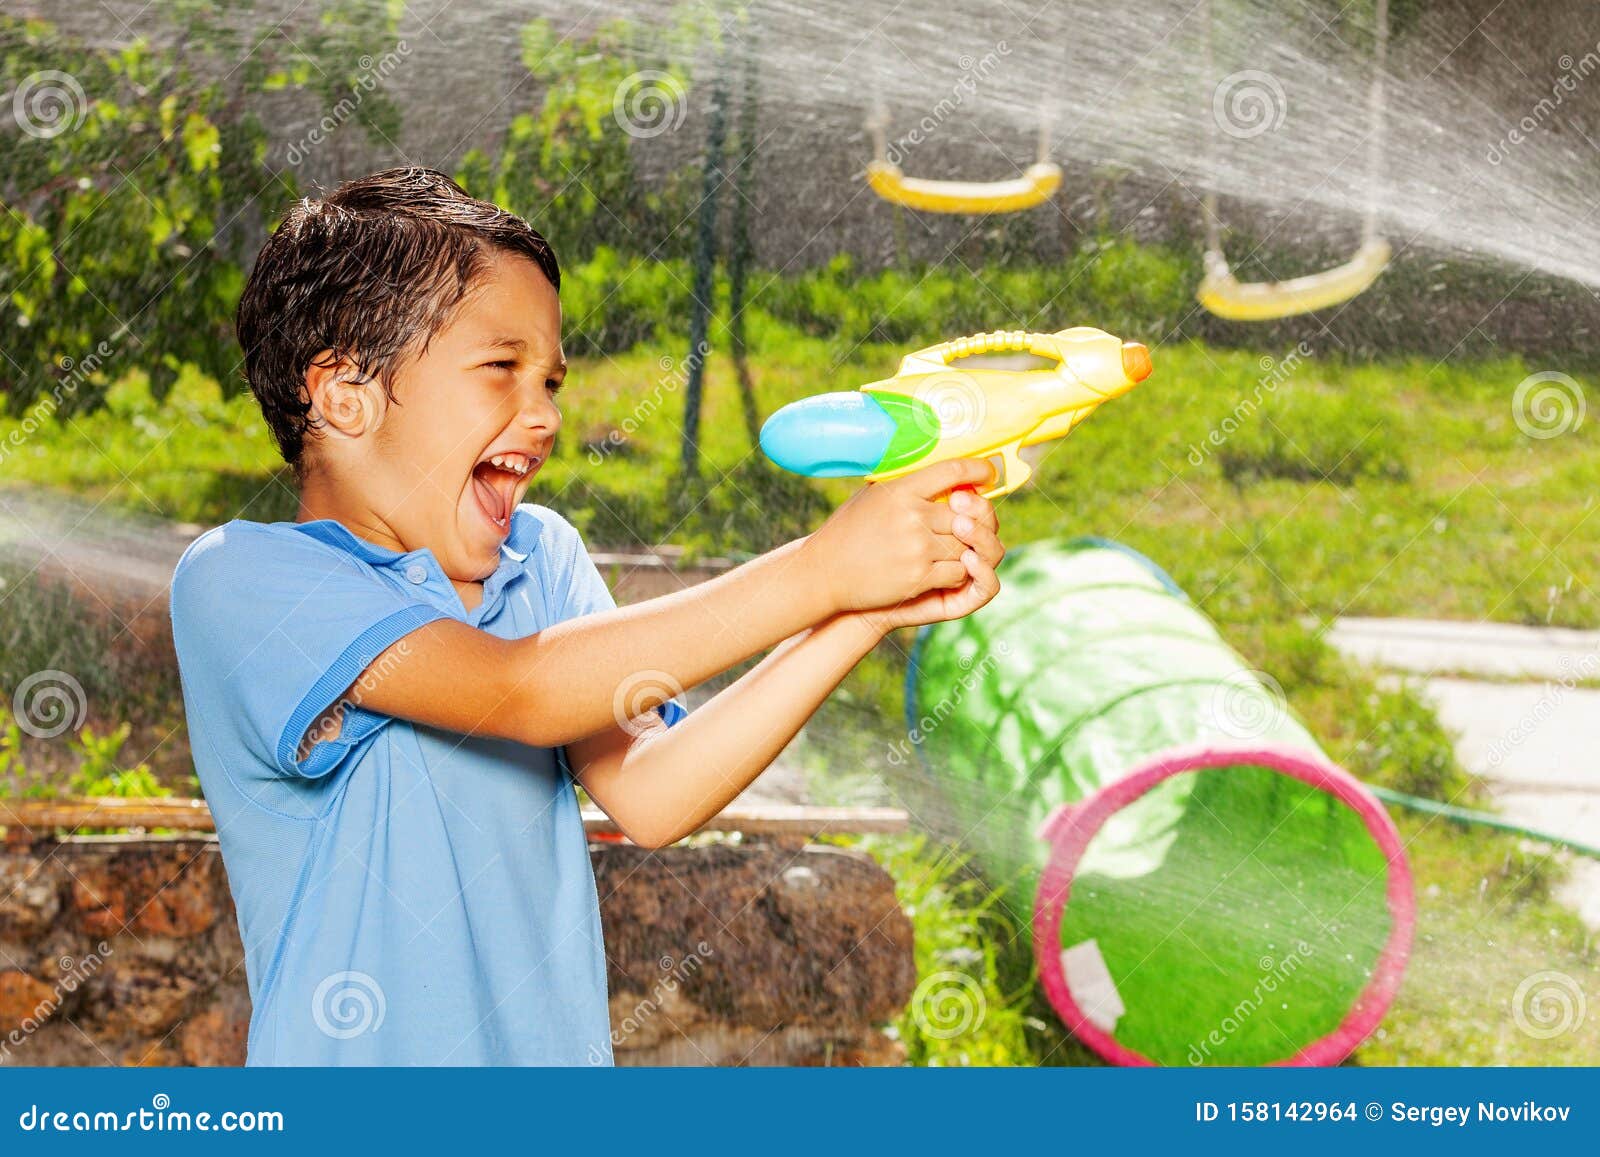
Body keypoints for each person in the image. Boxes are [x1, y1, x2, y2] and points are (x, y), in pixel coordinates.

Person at [170, 166, 1004, 1065]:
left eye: (552, 381)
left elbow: (653, 793)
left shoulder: (541, 560)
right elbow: (517, 690)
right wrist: (819, 568)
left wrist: (863, 608)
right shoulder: (244, 580)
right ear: (344, 393)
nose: (543, 414)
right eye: (501, 369)